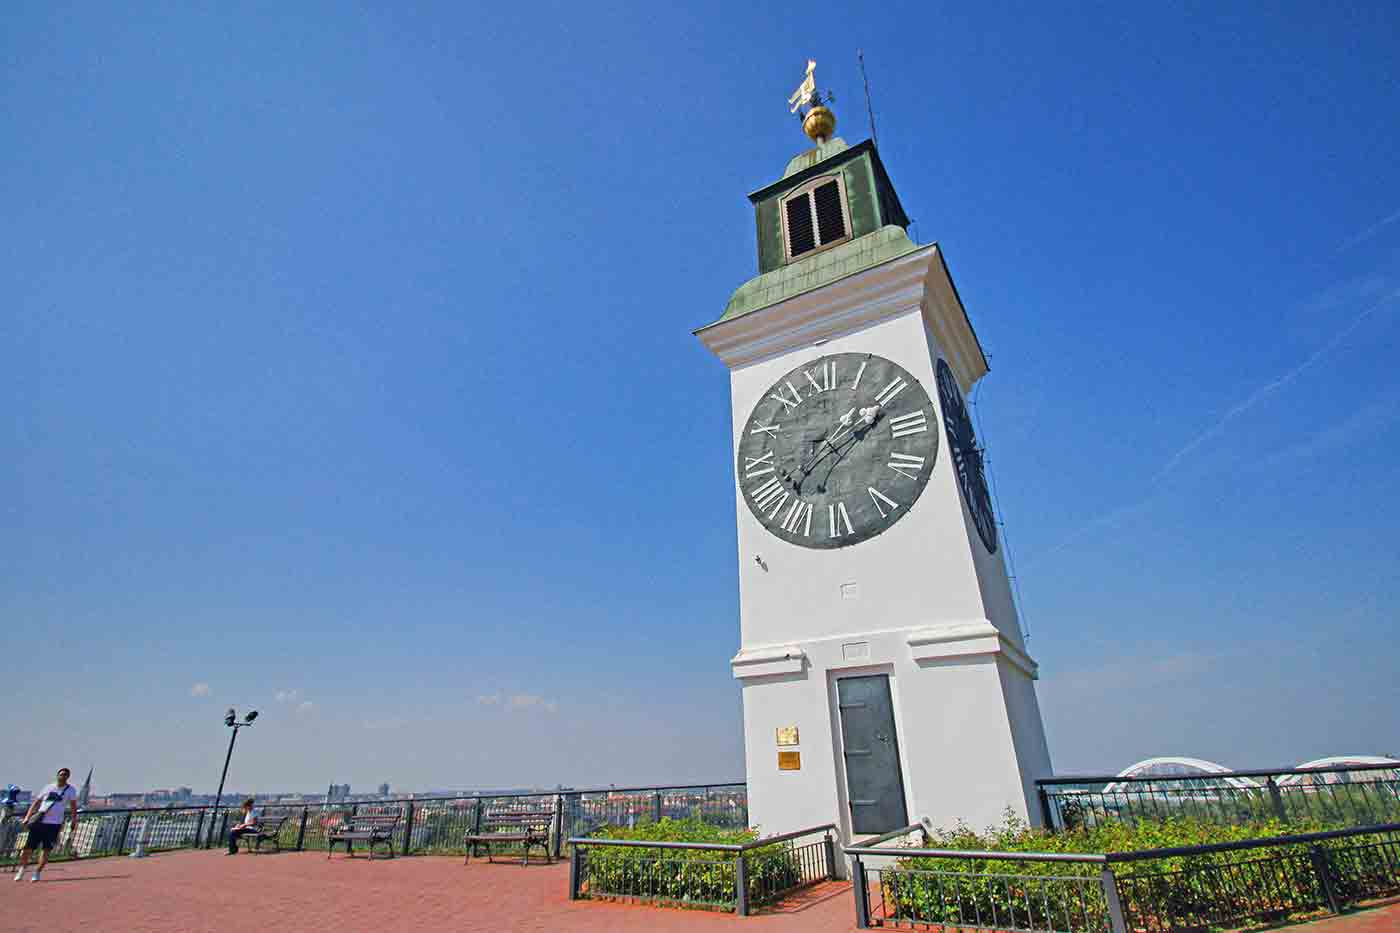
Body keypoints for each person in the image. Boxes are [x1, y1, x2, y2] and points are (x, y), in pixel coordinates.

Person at [14, 767, 79, 882]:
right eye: (61, 774)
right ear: (57, 775)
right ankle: (22, 869)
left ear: (68, 777)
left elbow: (73, 807)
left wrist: (74, 820)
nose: (62, 776)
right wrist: (27, 817)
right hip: (40, 822)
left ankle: (37, 872)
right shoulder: (48, 787)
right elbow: (36, 803)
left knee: (46, 850)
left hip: (54, 824)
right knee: (28, 849)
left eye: (65, 775)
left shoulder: (71, 790)